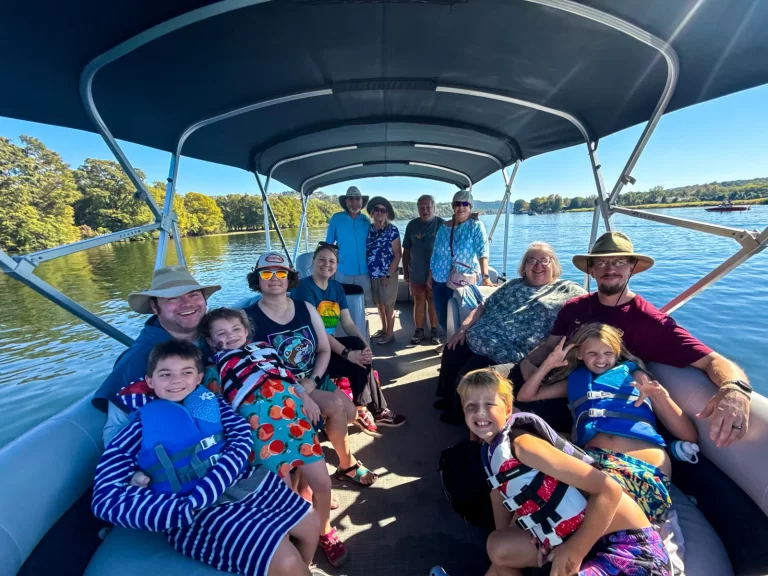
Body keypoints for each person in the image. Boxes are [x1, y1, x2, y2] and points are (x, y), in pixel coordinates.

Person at [92, 340, 321, 576]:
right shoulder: (138, 429)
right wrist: (181, 509)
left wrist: (217, 481)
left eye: (186, 372)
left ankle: (305, 570)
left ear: (199, 377)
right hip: (196, 512)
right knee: (286, 560)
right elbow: (105, 498)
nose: (176, 380)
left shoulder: (213, 405)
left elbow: (241, 439)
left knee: (312, 523)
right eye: (165, 374)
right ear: (150, 381)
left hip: (241, 483)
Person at [525, 231, 753, 448]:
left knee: (515, 426)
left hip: (586, 406)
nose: (610, 269)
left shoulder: (650, 321)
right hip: (553, 383)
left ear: (632, 268)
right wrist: (522, 364)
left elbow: (711, 360)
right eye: (602, 263)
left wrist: (735, 389)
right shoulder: (574, 307)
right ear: (591, 270)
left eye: (619, 262)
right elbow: (549, 346)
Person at [451, 369, 670, 576]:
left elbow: (608, 488)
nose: (479, 412)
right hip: (576, 535)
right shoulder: (492, 451)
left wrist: (575, 550)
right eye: (471, 406)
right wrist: (536, 533)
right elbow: (502, 495)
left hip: (628, 548)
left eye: (489, 404)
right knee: (498, 547)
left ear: (508, 409)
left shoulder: (524, 445)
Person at [199, 308, 347, 568]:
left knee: (323, 484)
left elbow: (288, 378)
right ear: (211, 341)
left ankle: (325, 531)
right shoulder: (214, 371)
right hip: (262, 440)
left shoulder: (265, 350)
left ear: (246, 331)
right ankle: (293, 549)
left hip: (297, 425)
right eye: (221, 333)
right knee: (286, 502)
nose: (231, 336)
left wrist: (305, 398)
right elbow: (219, 411)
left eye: (236, 329)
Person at [518, 323, 698, 523]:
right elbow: (526, 396)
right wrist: (548, 364)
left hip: (640, 465)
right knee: (545, 505)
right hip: (594, 465)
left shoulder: (634, 376)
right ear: (579, 354)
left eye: (608, 353)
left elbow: (689, 436)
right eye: (593, 353)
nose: (601, 359)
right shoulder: (574, 382)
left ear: (617, 352)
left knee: (601, 516)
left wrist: (661, 397)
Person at [243, 252, 379, 489]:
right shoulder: (248, 319)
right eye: (266, 273)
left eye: (281, 273)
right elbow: (252, 366)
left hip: (314, 378)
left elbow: (325, 350)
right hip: (282, 388)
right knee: (335, 407)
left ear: (289, 278)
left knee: (350, 414)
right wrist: (299, 390)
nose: (274, 278)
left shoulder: (305, 308)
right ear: (257, 279)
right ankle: (346, 465)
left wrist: (314, 380)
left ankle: (317, 437)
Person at [436, 242, 585, 425]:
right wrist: (462, 329)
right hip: (478, 336)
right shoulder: (512, 285)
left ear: (553, 264)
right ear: (524, 266)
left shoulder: (568, 290)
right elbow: (483, 306)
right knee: (452, 351)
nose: (538, 266)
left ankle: (458, 413)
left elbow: (591, 304)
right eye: (532, 260)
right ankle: (447, 397)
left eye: (544, 260)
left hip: (509, 350)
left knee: (471, 372)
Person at [93, 265, 221, 445]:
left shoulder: (218, 336)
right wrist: (134, 471)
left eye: (193, 295)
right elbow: (115, 429)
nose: (187, 303)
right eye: (173, 298)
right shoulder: (138, 359)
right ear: (154, 306)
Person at [291, 242, 406, 434]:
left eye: (331, 261)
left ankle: (368, 409)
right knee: (355, 358)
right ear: (313, 262)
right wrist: (347, 354)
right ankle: (371, 410)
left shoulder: (336, 288)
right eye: (321, 260)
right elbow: (316, 332)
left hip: (329, 348)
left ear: (337, 266)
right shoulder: (303, 289)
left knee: (360, 352)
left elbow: (348, 323)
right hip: (311, 354)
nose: (326, 264)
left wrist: (365, 345)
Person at [428, 190, 492, 334]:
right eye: (457, 204)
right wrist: (430, 275)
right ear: (453, 206)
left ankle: (459, 344)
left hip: (461, 281)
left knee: (461, 317)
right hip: (439, 278)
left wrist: (486, 276)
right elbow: (435, 253)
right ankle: (448, 340)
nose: (461, 207)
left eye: (465, 204)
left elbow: (483, 251)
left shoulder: (475, 226)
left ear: (470, 207)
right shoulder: (443, 227)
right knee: (442, 315)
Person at [402, 194, 444, 345]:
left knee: (433, 301)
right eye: (421, 207)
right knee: (418, 301)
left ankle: (434, 330)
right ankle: (418, 331)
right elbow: (406, 250)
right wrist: (405, 272)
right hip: (416, 272)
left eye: (428, 207)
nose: (425, 210)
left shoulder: (442, 224)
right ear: (418, 209)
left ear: (434, 208)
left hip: (437, 273)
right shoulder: (411, 225)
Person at [365, 196, 402, 345]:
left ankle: (390, 334)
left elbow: (397, 254)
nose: (379, 213)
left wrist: (388, 275)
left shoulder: (392, 230)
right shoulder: (369, 230)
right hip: (373, 274)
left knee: (388, 305)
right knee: (379, 303)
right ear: (372, 213)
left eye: (383, 210)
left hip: (388, 274)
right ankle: (384, 329)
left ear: (387, 214)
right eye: (376, 210)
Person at [325, 186, 371, 303]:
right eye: (351, 199)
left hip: (364, 272)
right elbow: (329, 246)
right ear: (346, 201)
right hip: (343, 271)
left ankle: (361, 322)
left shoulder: (366, 221)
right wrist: (329, 268)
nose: (354, 202)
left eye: (357, 199)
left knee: (363, 304)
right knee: (343, 304)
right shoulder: (336, 219)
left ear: (361, 201)